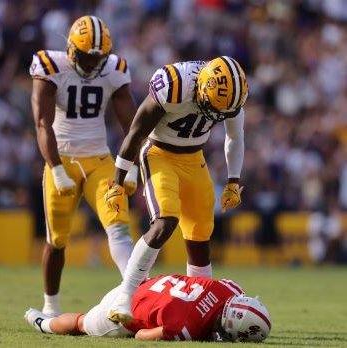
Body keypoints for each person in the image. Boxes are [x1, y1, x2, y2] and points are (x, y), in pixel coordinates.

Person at [104, 56, 248, 322]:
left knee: (200, 236)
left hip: (195, 159)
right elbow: (135, 133)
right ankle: (126, 296)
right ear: (202, 88)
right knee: (165, 222)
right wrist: (118, 180)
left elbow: (235, 137)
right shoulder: (175, 84)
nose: (217, 115)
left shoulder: (229, 96)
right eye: (214, 106)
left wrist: (233, 180)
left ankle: (197, 310)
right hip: (160, 154)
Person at [29, 15, 138, 317]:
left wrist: (133, 166)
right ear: (71, 49)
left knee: (118, 230)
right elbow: (42, 123)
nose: (92, 64)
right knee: (57, 240)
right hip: (61, 158)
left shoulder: (115, 68)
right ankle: (50, 306)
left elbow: (132, 125)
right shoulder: (51, 66)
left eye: (97, 58)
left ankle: (134, 297)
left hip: (100, 162)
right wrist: (56, 168)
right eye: (87, 57)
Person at [24, 274, 271, 342]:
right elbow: (141, 334)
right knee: (81, 323)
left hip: (142, 284)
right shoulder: (185, 328)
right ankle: (42, 323)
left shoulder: (229, 290)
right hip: (123, 310)